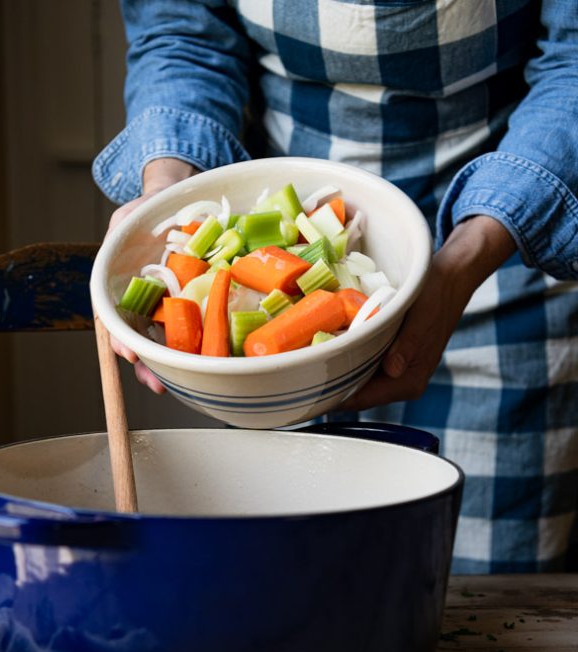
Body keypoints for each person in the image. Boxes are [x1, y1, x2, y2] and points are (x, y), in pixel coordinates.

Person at [92, 0, 578, 575]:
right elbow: (184, 34)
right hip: (282, 300)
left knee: (478, 613)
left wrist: (464, 262)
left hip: (502, 259)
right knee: (288, 594)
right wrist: (168, 193)